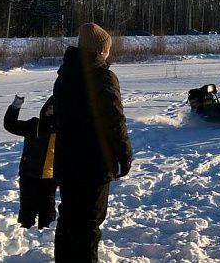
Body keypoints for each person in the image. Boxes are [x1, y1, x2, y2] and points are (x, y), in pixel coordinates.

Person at [53, 23, 132, 262]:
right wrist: (124, 155)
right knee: (88, 224)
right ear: (100, 50)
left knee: (68, 219)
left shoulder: (65, 75)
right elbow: (114, 121)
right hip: (94, 164)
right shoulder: (103, 77)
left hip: (67, 161)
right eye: (107, 48)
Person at [3, 95, 58, 229]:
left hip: (50, 177)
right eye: (49, 108)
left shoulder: (63, 129)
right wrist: (15, 107)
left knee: (48, 208)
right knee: (27, 207)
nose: (50, 112)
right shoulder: (34, 125)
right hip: (29, 175)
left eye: (55, 109)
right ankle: (23, 232)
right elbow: (10, 125)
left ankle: (46, 234)